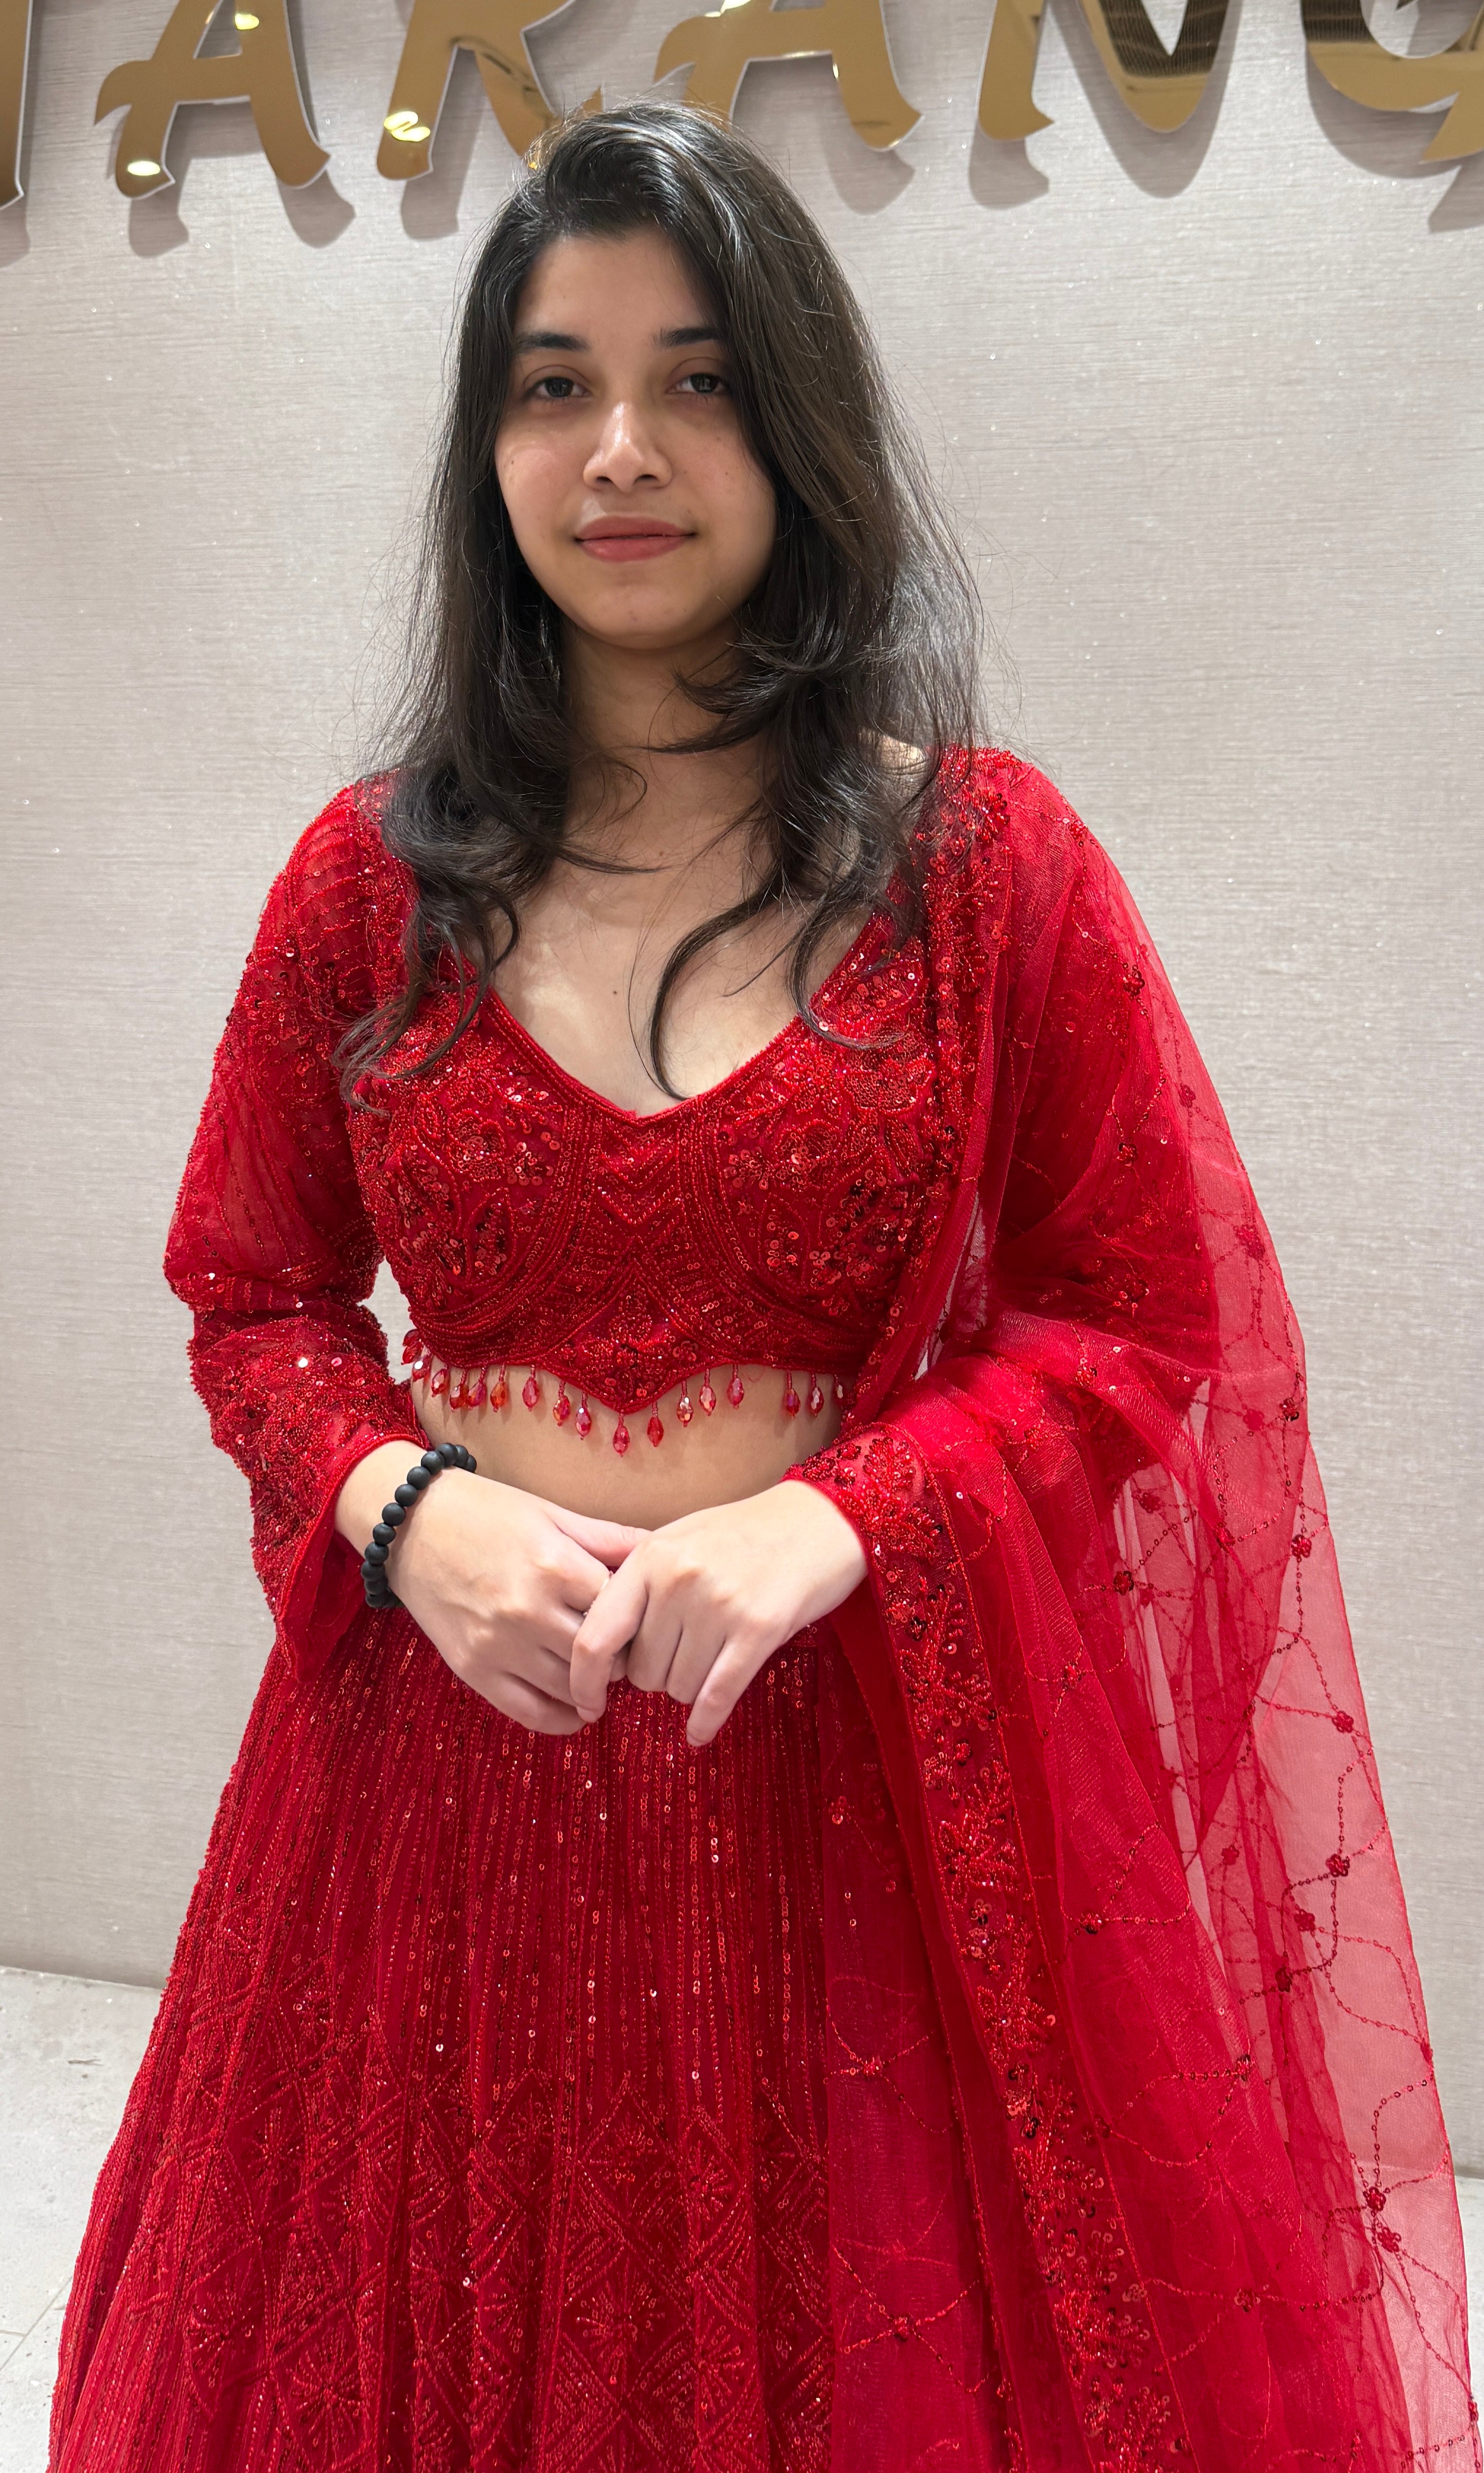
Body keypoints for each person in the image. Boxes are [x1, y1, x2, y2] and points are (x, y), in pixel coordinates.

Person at [50, 101, 1476, 2473]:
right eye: (553, 382)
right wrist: (405, 1510)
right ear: (484, 446)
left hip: (851, 1782)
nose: (619, 447)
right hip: (440, 1784)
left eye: (694, 379)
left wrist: (844, 1513)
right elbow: (253, 1297)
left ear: (795, 424)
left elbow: (1143, 1313)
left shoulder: (984, 869)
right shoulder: (364, 886)